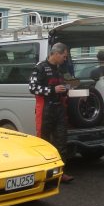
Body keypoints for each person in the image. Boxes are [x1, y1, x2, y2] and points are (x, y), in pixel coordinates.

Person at [28, 42, 74, 183]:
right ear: (56, 54)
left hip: (59, 109)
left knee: (61, 141)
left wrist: (71, 90)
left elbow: (66, 85)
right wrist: (52, 90)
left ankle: (60, 172)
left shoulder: (60, 69)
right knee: (44, 142)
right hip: (45, 109)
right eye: (64, 56)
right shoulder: (40, 68)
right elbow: (32, 88)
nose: (65, 59)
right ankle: (43, 174)